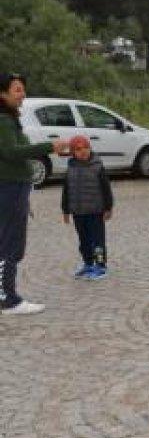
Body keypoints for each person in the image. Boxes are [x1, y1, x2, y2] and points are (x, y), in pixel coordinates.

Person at [0, 72, 67, 315]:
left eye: (23, 89)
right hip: (9, 187)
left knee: (7, 241)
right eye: (17, 89)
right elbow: (12, 152)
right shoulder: (4, 121)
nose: (22, 94)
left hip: (13, 186)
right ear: (3, 93)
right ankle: (8, 299)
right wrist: (50, 146)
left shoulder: (9, 119)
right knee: (10, 243)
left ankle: (5, 295)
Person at [61, 135, 114, 280]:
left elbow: (106, 188)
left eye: (86, 148)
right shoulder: (70, 168)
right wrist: (65, 210)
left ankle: (101, 266)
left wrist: (108, 207)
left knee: (97, 241)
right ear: (73, 152)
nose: (83, 151)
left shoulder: (97, 167)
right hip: (78, 213)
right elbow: (66, 190)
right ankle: (88, 263)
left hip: (95, 212)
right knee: (83, 241)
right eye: (78, 149)